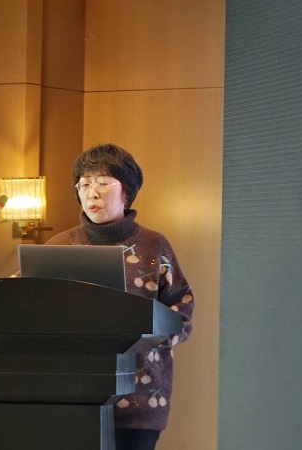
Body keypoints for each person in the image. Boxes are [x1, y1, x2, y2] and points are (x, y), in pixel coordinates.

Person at [46, 143, 194, 450]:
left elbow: (181, 311)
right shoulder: (58, 247)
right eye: (84, 184)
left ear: (126, 192)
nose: (92, 193)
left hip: (140, 400)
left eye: (102, 183)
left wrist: (146, 336)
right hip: (71, 398)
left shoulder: (154, 245)